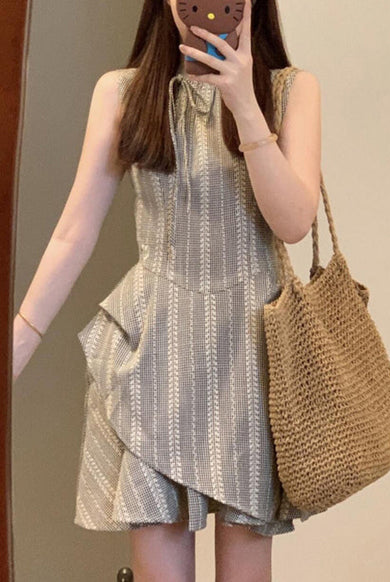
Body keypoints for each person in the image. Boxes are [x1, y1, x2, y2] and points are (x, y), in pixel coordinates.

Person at [13, 0, 322, 579]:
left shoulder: (290, 90)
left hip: (251, 358)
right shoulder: (123, 92)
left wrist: (245, 106)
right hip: (154, 355)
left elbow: (293, 222)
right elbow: (75, 231)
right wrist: (19, 341)